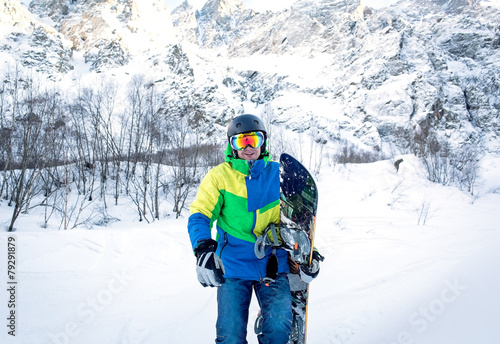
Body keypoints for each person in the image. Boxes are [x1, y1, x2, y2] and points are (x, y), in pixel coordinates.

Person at [187, 114, 321, 344]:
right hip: (232, 267)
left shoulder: (278, 175)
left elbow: (296, 222)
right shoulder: (219, 177)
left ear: (263, 142)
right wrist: (203, 247)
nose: (248, 147)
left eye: (254, 140)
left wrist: (309, 252)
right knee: (230, 337)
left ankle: (265, 326)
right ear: (232, 146)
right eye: (241, 142)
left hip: (271, 264)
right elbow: (200, 213)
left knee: (279, 330)